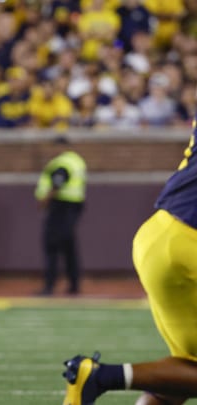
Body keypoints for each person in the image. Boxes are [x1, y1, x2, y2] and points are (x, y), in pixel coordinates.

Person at [61, 111, 197, 402]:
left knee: (186, 371)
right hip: (190, 244)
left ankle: (100, 377)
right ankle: (100, 376)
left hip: (159, 233)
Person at [34, 136, 87, 296]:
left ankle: (49, 285)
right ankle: (74, 284)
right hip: (74, 206)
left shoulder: (62, 163)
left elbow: (57, 183)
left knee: (52, 245)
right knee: (69, 246)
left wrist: (44, 200)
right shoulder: (77, 161)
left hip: (60, 206)